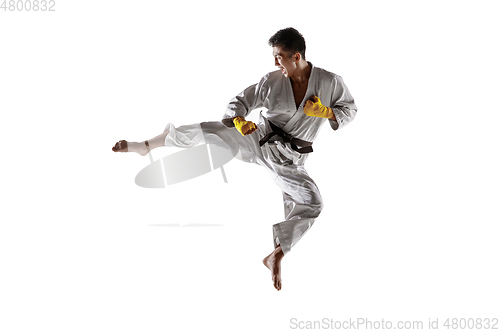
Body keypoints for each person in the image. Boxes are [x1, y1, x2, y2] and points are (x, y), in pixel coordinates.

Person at [112, 27, 357, 290]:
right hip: (259, 139)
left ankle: (277, 254)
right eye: (274, 57)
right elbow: (240, 101)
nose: (275, 62)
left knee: (313, 203)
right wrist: (239, 121)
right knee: (210, 130)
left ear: (296, 56)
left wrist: (325, 111)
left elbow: (350, 109)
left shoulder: (331, 82)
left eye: (279, 57)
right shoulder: (271, 81)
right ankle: (147, 145)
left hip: (289, 161)